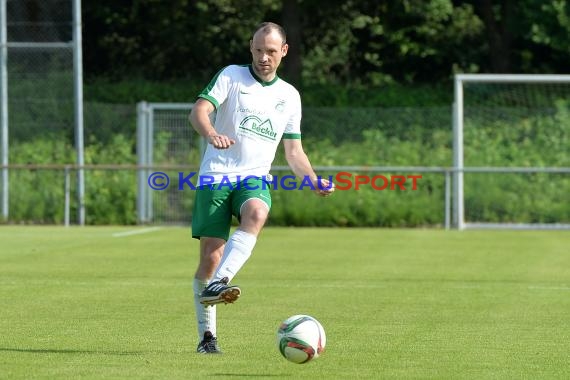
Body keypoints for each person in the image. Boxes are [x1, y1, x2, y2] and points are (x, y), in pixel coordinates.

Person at [188, 21, 334, 354]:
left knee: (256, 211)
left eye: (270, 51)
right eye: (258, 50)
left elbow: (294, 151)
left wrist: (312, 180)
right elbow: (200, 110)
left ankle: (218, 284)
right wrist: (211, 133)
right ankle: (207, 338)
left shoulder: (289, 96)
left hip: (253, 177)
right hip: (216, 176)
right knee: (210, 257)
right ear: (251, 48)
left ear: (283, 51)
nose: (263, 57)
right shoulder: (231, 76)